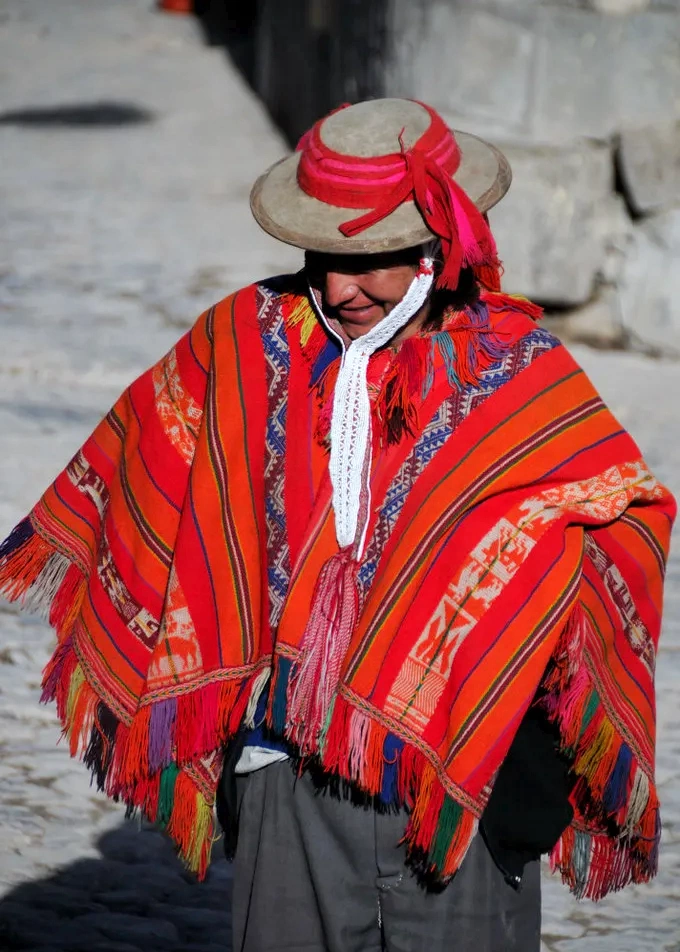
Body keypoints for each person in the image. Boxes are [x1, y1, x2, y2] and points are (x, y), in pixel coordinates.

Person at [0, 98, 675, 952]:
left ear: (439, 247)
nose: (339, 288)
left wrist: (527, 773)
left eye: (374, 263)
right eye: (324, 258)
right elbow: (150, 465)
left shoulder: (521, 381)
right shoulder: (248, 343)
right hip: (288, 785)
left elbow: (625, 521)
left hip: (464, 799)